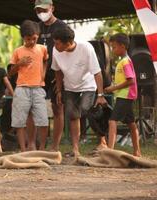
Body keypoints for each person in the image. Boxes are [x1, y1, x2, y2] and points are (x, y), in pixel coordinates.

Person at [51, 26, 107, 157]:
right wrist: (59, 90)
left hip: (88, 85)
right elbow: (57, 71)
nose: (54, 45)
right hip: (70, 86)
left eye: (57, 42)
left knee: (86, 109)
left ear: (68, 42)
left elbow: (97, 72)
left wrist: (100, 95)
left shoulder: (86, 48)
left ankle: (103, 142)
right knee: (72, 115)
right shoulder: (55, 50)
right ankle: (75, 149)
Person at [10, 20, 49, 152]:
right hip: (22, 88)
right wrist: (19, 64)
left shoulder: (42, 49)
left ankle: (42, 148)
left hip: (38, 88)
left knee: (43, 120)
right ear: (23, 38)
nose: (31, 41)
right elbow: (10, 72)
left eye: (34, 38)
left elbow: (45, 61)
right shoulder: (18, 51)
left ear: (38, 36)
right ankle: (23, 149)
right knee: (20, 121)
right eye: (28, 39)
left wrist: (43, 74)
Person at [34, 0, 67, 151]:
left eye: (44, 9)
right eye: (38, 11)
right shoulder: (37, 27)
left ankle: (55, 146)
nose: (41, 13)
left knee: (57, 107)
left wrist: (62, 73)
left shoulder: (61, 26)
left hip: (57, 73)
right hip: (38, 73)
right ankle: (38, 144)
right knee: (36, 108)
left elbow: (67, 50)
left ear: (52, 8)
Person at [104, 33, 141, 157]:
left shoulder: (125, 62)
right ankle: (137, 151)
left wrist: (113, 88)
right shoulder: (124, 61)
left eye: (114, 47)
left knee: (112, 120)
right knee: (131, 123)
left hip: (125, 96)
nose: (112, 50)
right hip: (125, 96)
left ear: (123, 46)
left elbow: (131, 80)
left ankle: (110, 151)